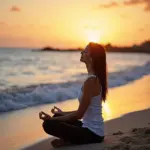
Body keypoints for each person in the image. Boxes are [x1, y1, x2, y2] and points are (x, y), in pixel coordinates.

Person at [39, 42, 108, 148]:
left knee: (48, 124)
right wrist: (62, 113)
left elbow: (79, 115)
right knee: (58, 116)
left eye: (85, 51)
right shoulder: (93, 78)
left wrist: (52, 120)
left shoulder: (91, 81)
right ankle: (68, 139)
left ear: (92, 58)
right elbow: (83, 112)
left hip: (92, 134)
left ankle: (68, 140)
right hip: (91, 129)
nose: (81, 52)